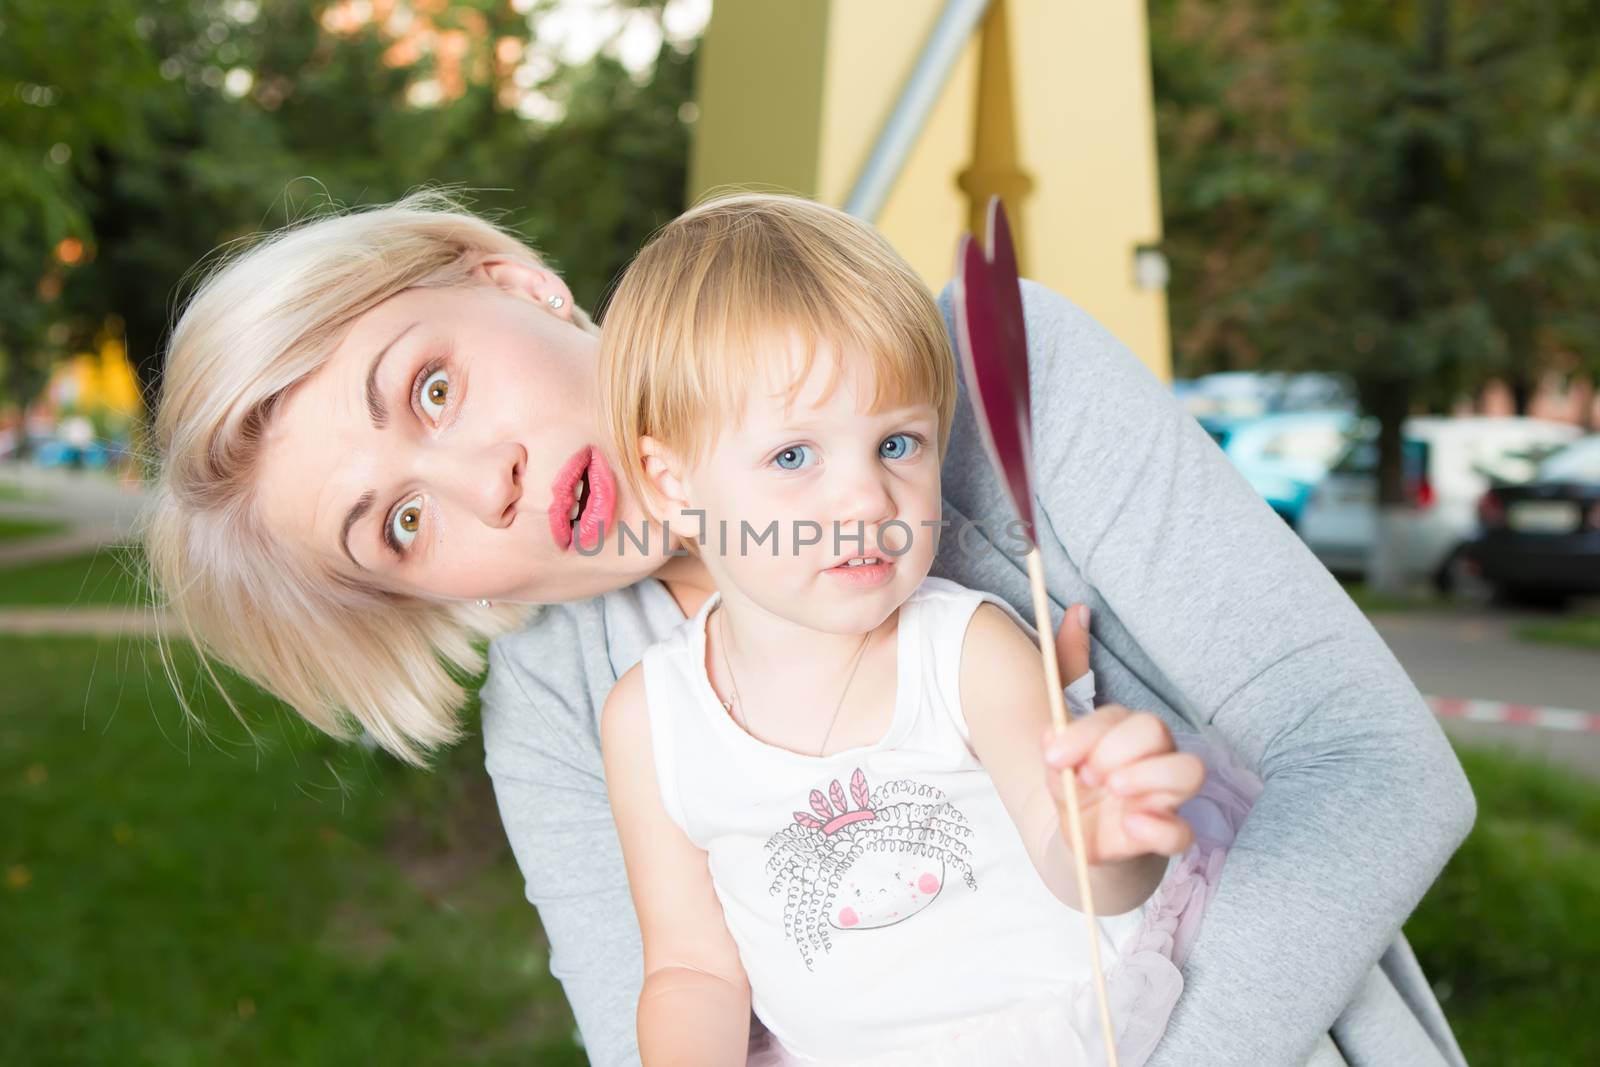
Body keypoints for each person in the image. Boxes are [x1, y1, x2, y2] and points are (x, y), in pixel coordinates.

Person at [146, 187, 1474, 1066]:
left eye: (431, 388)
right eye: (399, 524)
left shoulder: (983, 376)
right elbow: (668, 1018)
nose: (478, 481)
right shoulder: (566, 704)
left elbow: (1377, 771)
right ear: (417, 592)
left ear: (517, 282)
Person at [594, 194, 1250, 1066]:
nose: (868, 498)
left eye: (898, 443)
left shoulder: (962, 649)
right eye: (794, 455)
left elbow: (1072, 860)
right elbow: (689, 969)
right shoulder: (652, 719)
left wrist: (1110, 840)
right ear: (673, 482)